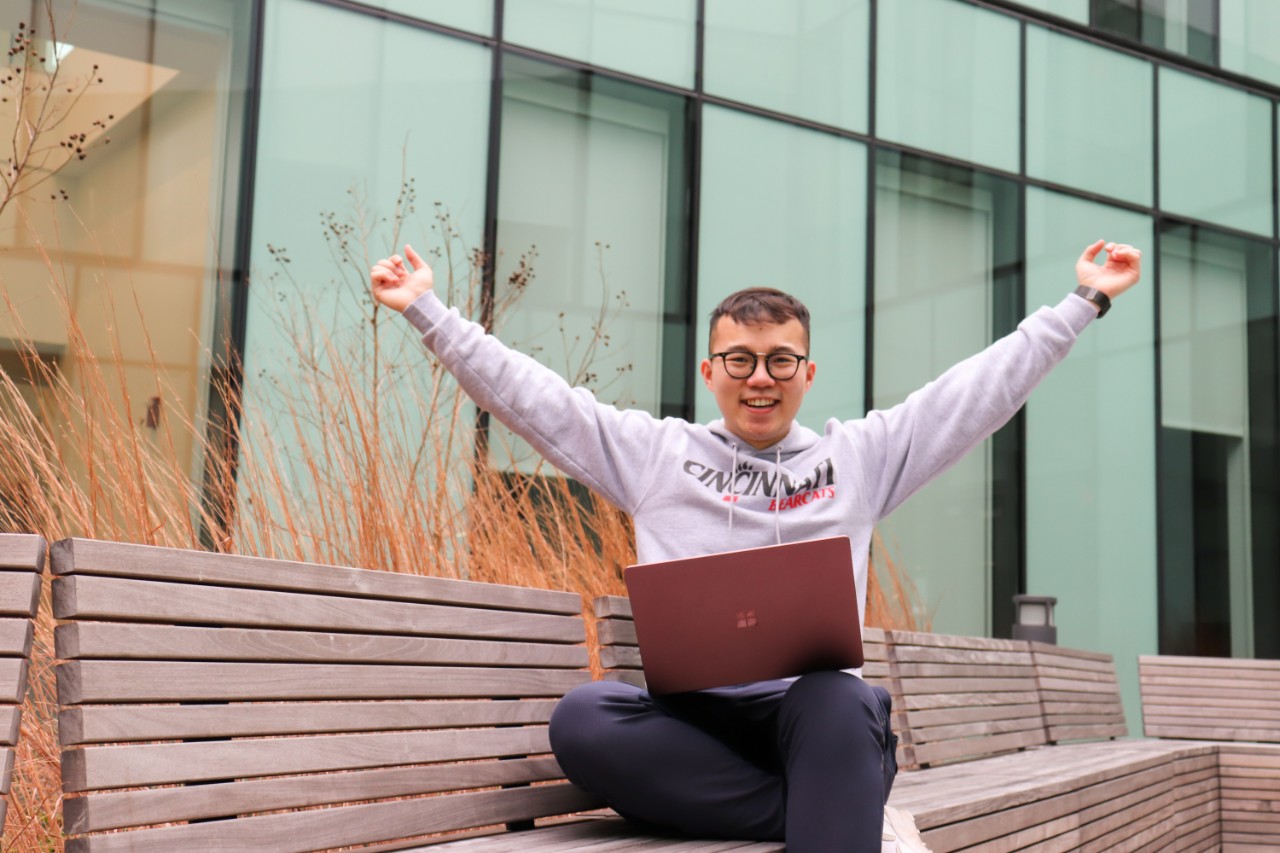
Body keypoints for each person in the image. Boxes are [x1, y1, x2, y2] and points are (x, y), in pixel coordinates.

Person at [370, 239, 1142, 852]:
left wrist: (1084, 300)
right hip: (694, 726)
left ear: (808, 373)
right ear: (711, 370)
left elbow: (974, 393)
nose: (760, 378)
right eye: (740, 360)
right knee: (585, 716)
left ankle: (830, 804)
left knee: (838, 696)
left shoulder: (860, 458)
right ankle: (833, 821)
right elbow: (534, 397)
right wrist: (427, 312)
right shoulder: (655, 454)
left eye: (779, 361)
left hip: (818, 724)